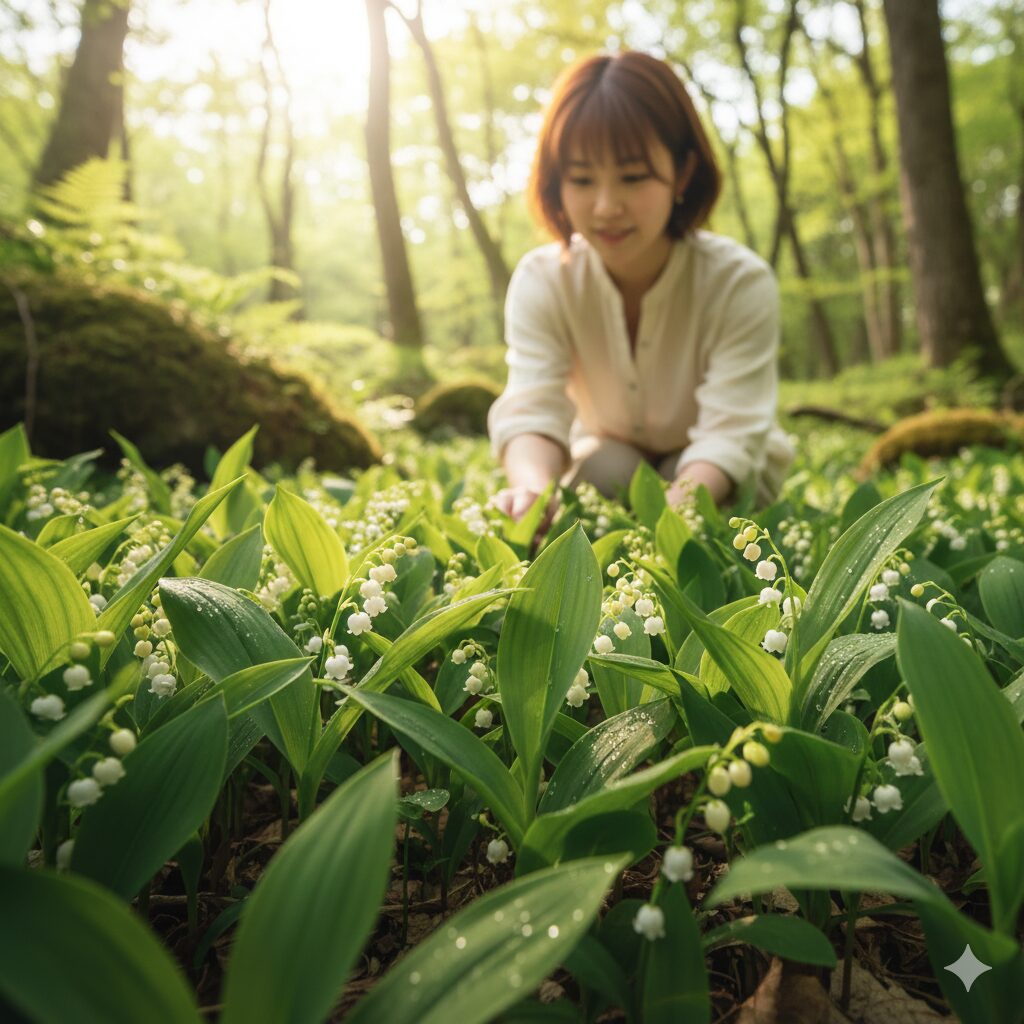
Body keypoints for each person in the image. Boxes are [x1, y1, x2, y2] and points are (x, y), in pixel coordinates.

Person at [488, 51, 794, 525]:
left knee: (700, 491)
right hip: (610, 457)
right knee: (606, 468)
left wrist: (675, 518)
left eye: (632, 177)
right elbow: (532, 407)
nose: (607, 206)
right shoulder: (543, 280)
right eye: (583, 179)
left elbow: (730, 434)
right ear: (557, 182)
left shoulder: (738, 283)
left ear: (683, 172)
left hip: (724, 472)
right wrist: (530, 488)